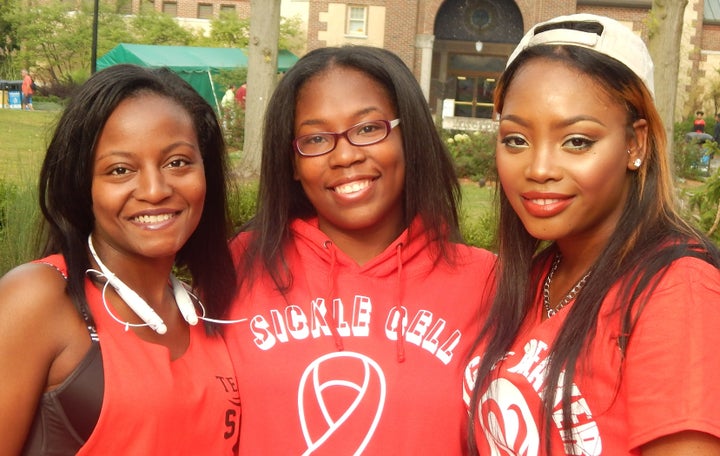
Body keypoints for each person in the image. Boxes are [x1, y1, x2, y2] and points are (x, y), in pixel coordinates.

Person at [465, 13, 720, 455]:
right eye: (516, 140)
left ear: (635, 144)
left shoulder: (677, 291)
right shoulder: (535, 276)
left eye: (577, 141)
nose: (539, 169)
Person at [224, 45, 496, 454]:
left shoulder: (487, 283)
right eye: (316, 138)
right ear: (293, 162)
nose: (346, 155)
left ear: (410, 136)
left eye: (369, 128)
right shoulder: (239, 266)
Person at [0, 64, 240, 455]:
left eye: (177, 162)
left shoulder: (207, 311)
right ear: (84, 184)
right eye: (120, 170)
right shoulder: (39, 299)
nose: (154, 189)